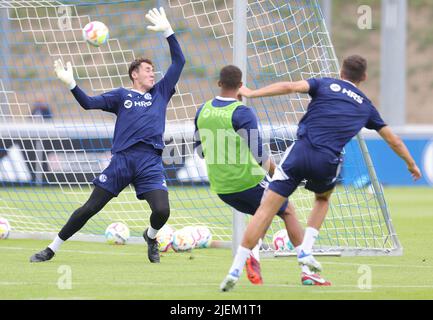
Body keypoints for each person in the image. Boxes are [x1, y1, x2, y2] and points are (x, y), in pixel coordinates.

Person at [220, 55, 422, 291]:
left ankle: (234, 269)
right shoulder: (366, 106)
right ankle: (306, 249)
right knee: (323, 198)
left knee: (265, 210)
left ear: (341, 72)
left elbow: (289, 86)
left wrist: (252, 93)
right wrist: (411, 164)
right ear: (364, 77)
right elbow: (393, 140)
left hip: (299, 152)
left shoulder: (324, 83)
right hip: (327, 160)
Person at [30, 7, 185, 264]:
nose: (152, 73)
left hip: (150, 160)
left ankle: (151, 236)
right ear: (134, 74)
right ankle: (51, 248)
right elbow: (88, 103)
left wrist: (168, 31)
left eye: (152, 70)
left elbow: (179, 62)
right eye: (147, 69)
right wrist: (71, 84)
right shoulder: (120, 96)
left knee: (162, 210)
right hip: (122, 160)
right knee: (90, 208)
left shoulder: (161, 91)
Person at [194, 65, 327, 286]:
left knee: (262, 212)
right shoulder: (242, 112)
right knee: (288, 211)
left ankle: (254, 255)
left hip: (221, 187)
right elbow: (260, 157)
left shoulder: (202, 109)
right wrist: (280, 176)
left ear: (219, 83)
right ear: (240, 86)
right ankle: (307, 271)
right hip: (247, 181)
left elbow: (200, 151)